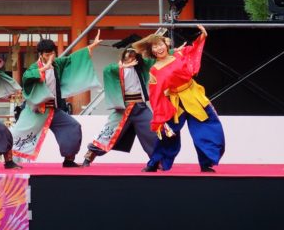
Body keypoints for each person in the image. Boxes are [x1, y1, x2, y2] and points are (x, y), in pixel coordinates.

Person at [135, 25, 225, 173]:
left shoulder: (179, 55)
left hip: (194, 96)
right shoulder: (155, 70)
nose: (158, 49)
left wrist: (202, 36)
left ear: (166, 43)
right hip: (175, 103)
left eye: (160, 45)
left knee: (206, 127)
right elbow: (155, 93)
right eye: (154, 47)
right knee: (169, 133)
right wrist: (159, 114)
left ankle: (206, 163)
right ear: (151, 52)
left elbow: (193, 51)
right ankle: (154, 162)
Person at [11, 31, 102, 166]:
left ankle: (68, 160)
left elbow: (73, 58)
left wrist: (92, 46)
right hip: (36, 111)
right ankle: (9, 161)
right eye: (47, 54)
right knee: (19, 134)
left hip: (54, 110)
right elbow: (26, 77)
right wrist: (43, 69)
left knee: (73, 127)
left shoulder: (57, 64)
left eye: (52, 53)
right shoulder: (34, 67)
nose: (50, 57)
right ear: (40, 54)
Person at [81, 46, 158, 167]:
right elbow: (107, 70)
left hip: (140, 107)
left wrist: (173, 51)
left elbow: (157, 56)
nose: (130, 59)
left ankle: (157, 161)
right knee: (108, 133)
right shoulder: (116, 68)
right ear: (123, 56)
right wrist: (122, 66)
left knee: (152, 131)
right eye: (127, 56)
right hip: (123, 108)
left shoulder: (141, 66)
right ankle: (89, 156)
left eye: (133, 56)